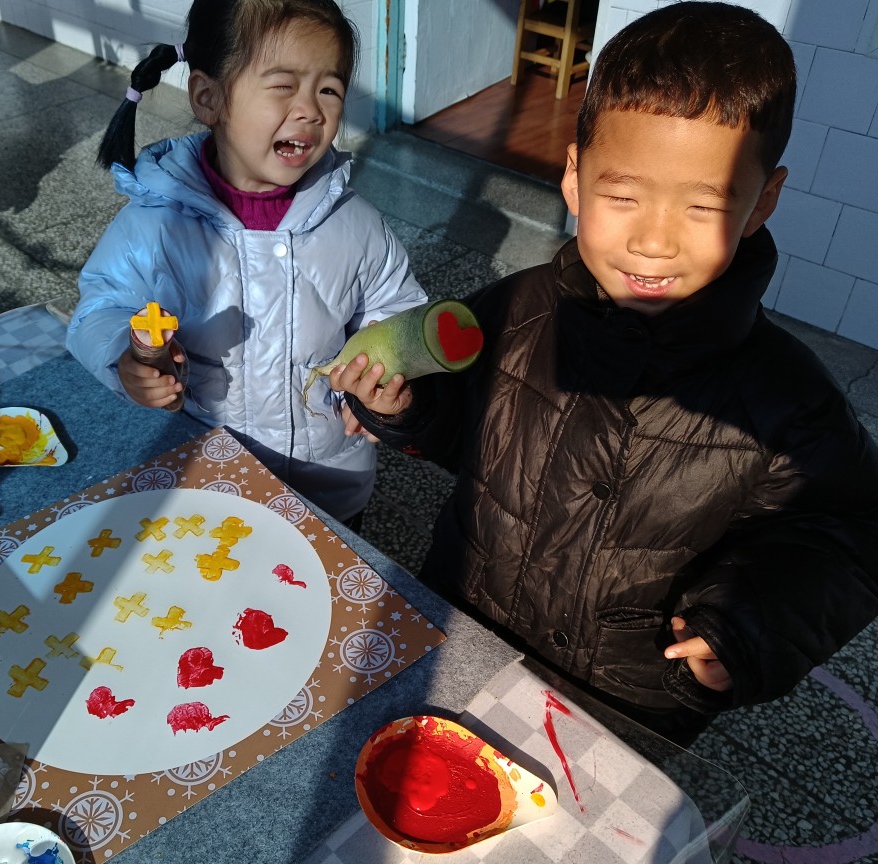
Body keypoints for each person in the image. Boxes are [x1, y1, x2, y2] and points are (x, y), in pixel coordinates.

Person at [332, 1, 878, 745]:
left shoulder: (789, 402)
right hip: (462, 630)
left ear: (762, 203)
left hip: (621, 706)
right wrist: (405, 409)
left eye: (703, 206)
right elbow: (464, 427)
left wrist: (751, 625)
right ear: (575, 178)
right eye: (622, 195)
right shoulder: (516, 311)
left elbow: (850, 534)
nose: (654, 240)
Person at [66, 0, 426, 526]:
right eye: (283, 85)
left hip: (327, 486)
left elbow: (397, 314)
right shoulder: (154, 225)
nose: (310, 110)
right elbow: (100, 307)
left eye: (329, 90)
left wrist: (382, 379)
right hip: (202, 478)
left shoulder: (358, 226)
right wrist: (127, 356)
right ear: (209, 97)